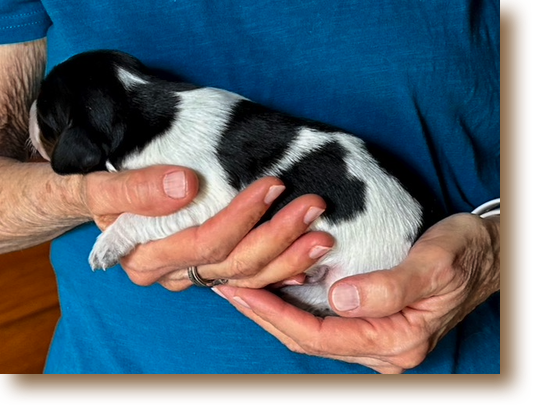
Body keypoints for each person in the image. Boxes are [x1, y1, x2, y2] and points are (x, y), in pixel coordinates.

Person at [0, 0, 500, 374]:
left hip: (449, 350)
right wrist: (85, 197)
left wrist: (498, 246)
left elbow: (196, 196)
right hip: (114, 367)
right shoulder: (192, 116)